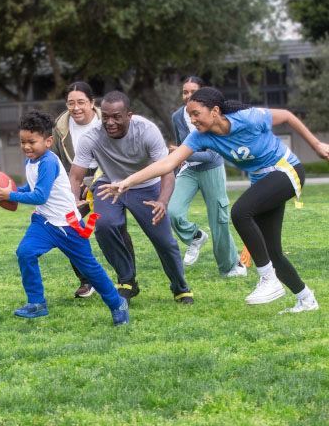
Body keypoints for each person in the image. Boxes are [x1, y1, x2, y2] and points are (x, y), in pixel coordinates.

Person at [99, 86, 329, 313]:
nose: (193, 120)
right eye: (189, 115)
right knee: (273, 251)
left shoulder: (246, 118)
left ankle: (268, 279)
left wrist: (316, 144)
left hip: (286, 169)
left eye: (196, 113)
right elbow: (167, 164)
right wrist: (127, 182)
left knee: (241, 213)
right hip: (262, 179)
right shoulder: (199, 137)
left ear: (215, 111)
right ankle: (306, 299)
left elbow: (287, 116)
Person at [0, 110, 129, 326]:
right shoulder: (31, 161)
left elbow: (40, 195)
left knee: (89, 269)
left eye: (32, 142)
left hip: (69, 226)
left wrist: (11, 196)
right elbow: (33, 187)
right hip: (44, 222)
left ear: (48, 141)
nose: (26, 146)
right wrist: (13, 190)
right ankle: (37, 303)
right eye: (22, 141)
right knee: (25, 252)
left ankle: (116, 303)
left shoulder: (49, 162)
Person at [69, 90, 193, 305]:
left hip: (147, 186)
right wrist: (74, 201)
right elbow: (75, 176)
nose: (110, 122)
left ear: (129, 115)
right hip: (109, 185)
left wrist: (162, 201)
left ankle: (180, 287)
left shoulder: (147, 131)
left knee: (164, 241)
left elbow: (167, 171)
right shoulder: (91, 137)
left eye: (116, 116)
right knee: (105, 226)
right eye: (105, 116)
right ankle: (127, 281)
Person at [51, 81, 136, 299]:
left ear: (92, 103)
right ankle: (85, 280)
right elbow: (57, 161)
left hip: (107, 181)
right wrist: (68, 192)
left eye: (81, 102)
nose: (76, 108)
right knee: (70, 229)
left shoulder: (108, 120)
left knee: (114, 227)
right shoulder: (60, 127)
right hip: (75, 183)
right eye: (71, 103)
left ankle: (127, 281)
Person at [169, 76, 247, 277]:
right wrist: (178, 164)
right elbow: (180, 147)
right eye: (184, 92)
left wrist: (182, 152)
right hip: (189, 169)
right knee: (173, 212)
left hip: (212, 167)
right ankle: (195, 236)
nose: (187, 96)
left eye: (192, 92)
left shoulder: (214, 115)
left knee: (218, 220)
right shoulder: (177, 116)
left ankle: (230, 267)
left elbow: (213, 153)